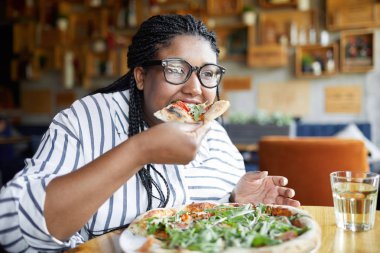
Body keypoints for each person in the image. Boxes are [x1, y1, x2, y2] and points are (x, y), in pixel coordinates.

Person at [0, 14, 300, 252]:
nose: (195, 88)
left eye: (208, 74)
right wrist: (138, 151)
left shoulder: (217, 139)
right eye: (176, 69)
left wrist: (234, 199)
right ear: (141, 76)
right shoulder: (86, 118)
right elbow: (12, 230)